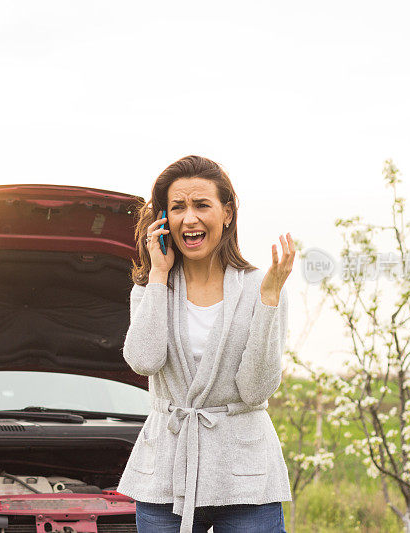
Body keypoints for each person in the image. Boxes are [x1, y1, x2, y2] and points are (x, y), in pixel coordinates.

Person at [115, 155, 295, 533]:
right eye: (177, 207)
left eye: (202, 205)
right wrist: (159, 275)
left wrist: (268, 302)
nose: (189, 218)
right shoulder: (151, 287)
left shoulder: (260, 287)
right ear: (163, 219)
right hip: (167, 468)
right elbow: (144, 361)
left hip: (245, 471)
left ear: (227, 214)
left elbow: (256, 389)